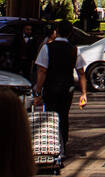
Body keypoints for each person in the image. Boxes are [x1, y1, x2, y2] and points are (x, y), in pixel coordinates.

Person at [33, 19, 87, 157]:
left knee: (50, 115)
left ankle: (53, 146)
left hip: (50, 88)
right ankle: (63, 145)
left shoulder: (47, 48)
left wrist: (38, 92)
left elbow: (41, 71)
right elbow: (81, 73)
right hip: (67, 89)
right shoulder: (75, 50)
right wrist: (83, 93)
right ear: (70, 33)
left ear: (56, 32)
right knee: (63, 116)